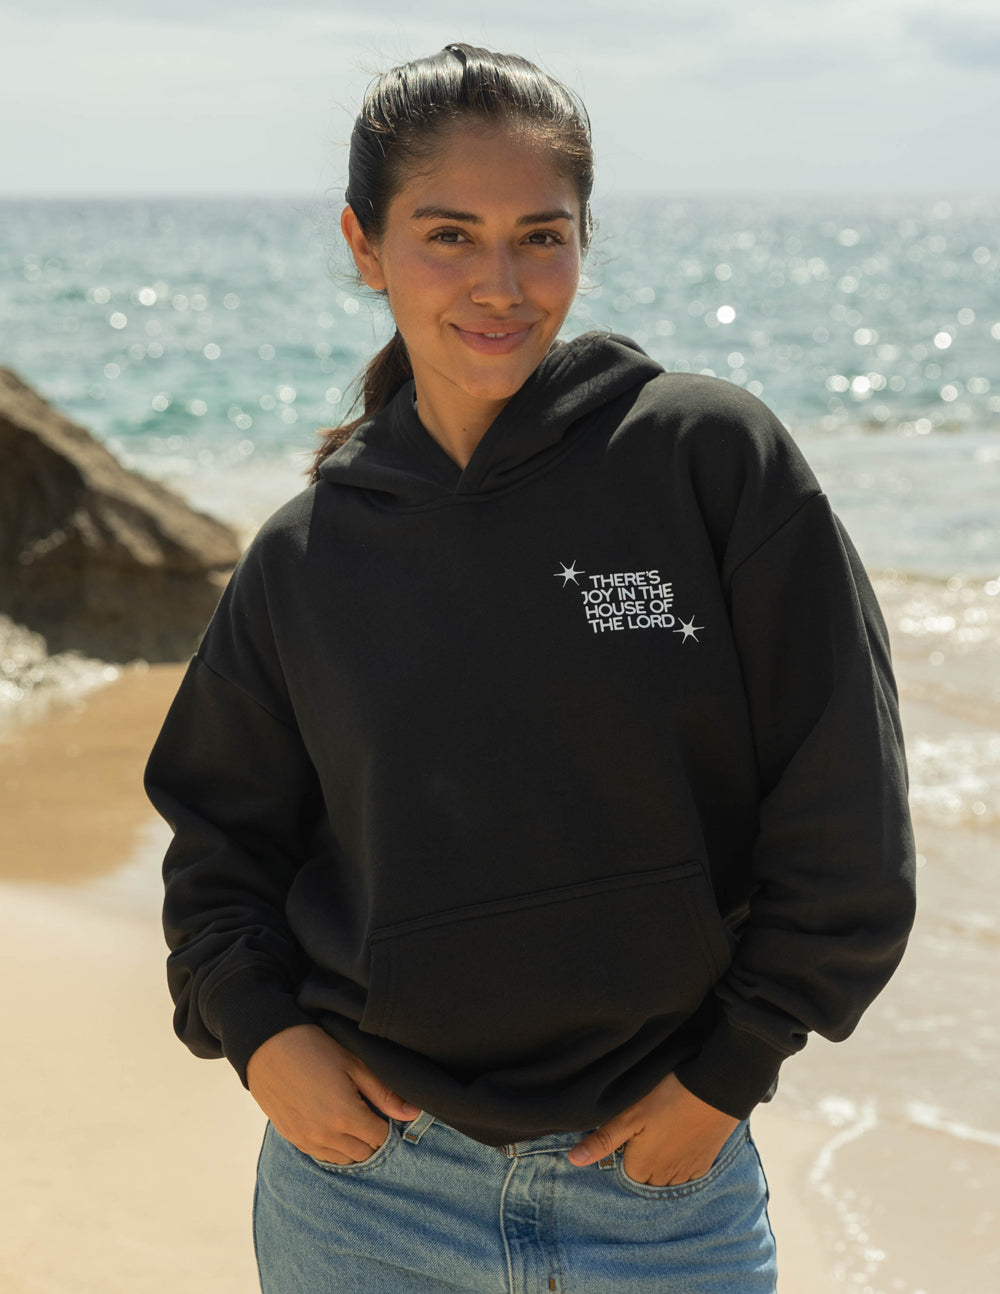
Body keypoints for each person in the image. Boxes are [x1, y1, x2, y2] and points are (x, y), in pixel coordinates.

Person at [144, 43, 916, 1293]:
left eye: (539, 236)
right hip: (362, 1198)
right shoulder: (307, 554)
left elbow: (844, 804)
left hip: (660, 1192)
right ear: (363, 244)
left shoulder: (706, 459)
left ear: (582, 240)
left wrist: (731, 1070)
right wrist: (263, 1035)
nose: (498, 285)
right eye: (448, 234)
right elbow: (219, 844)